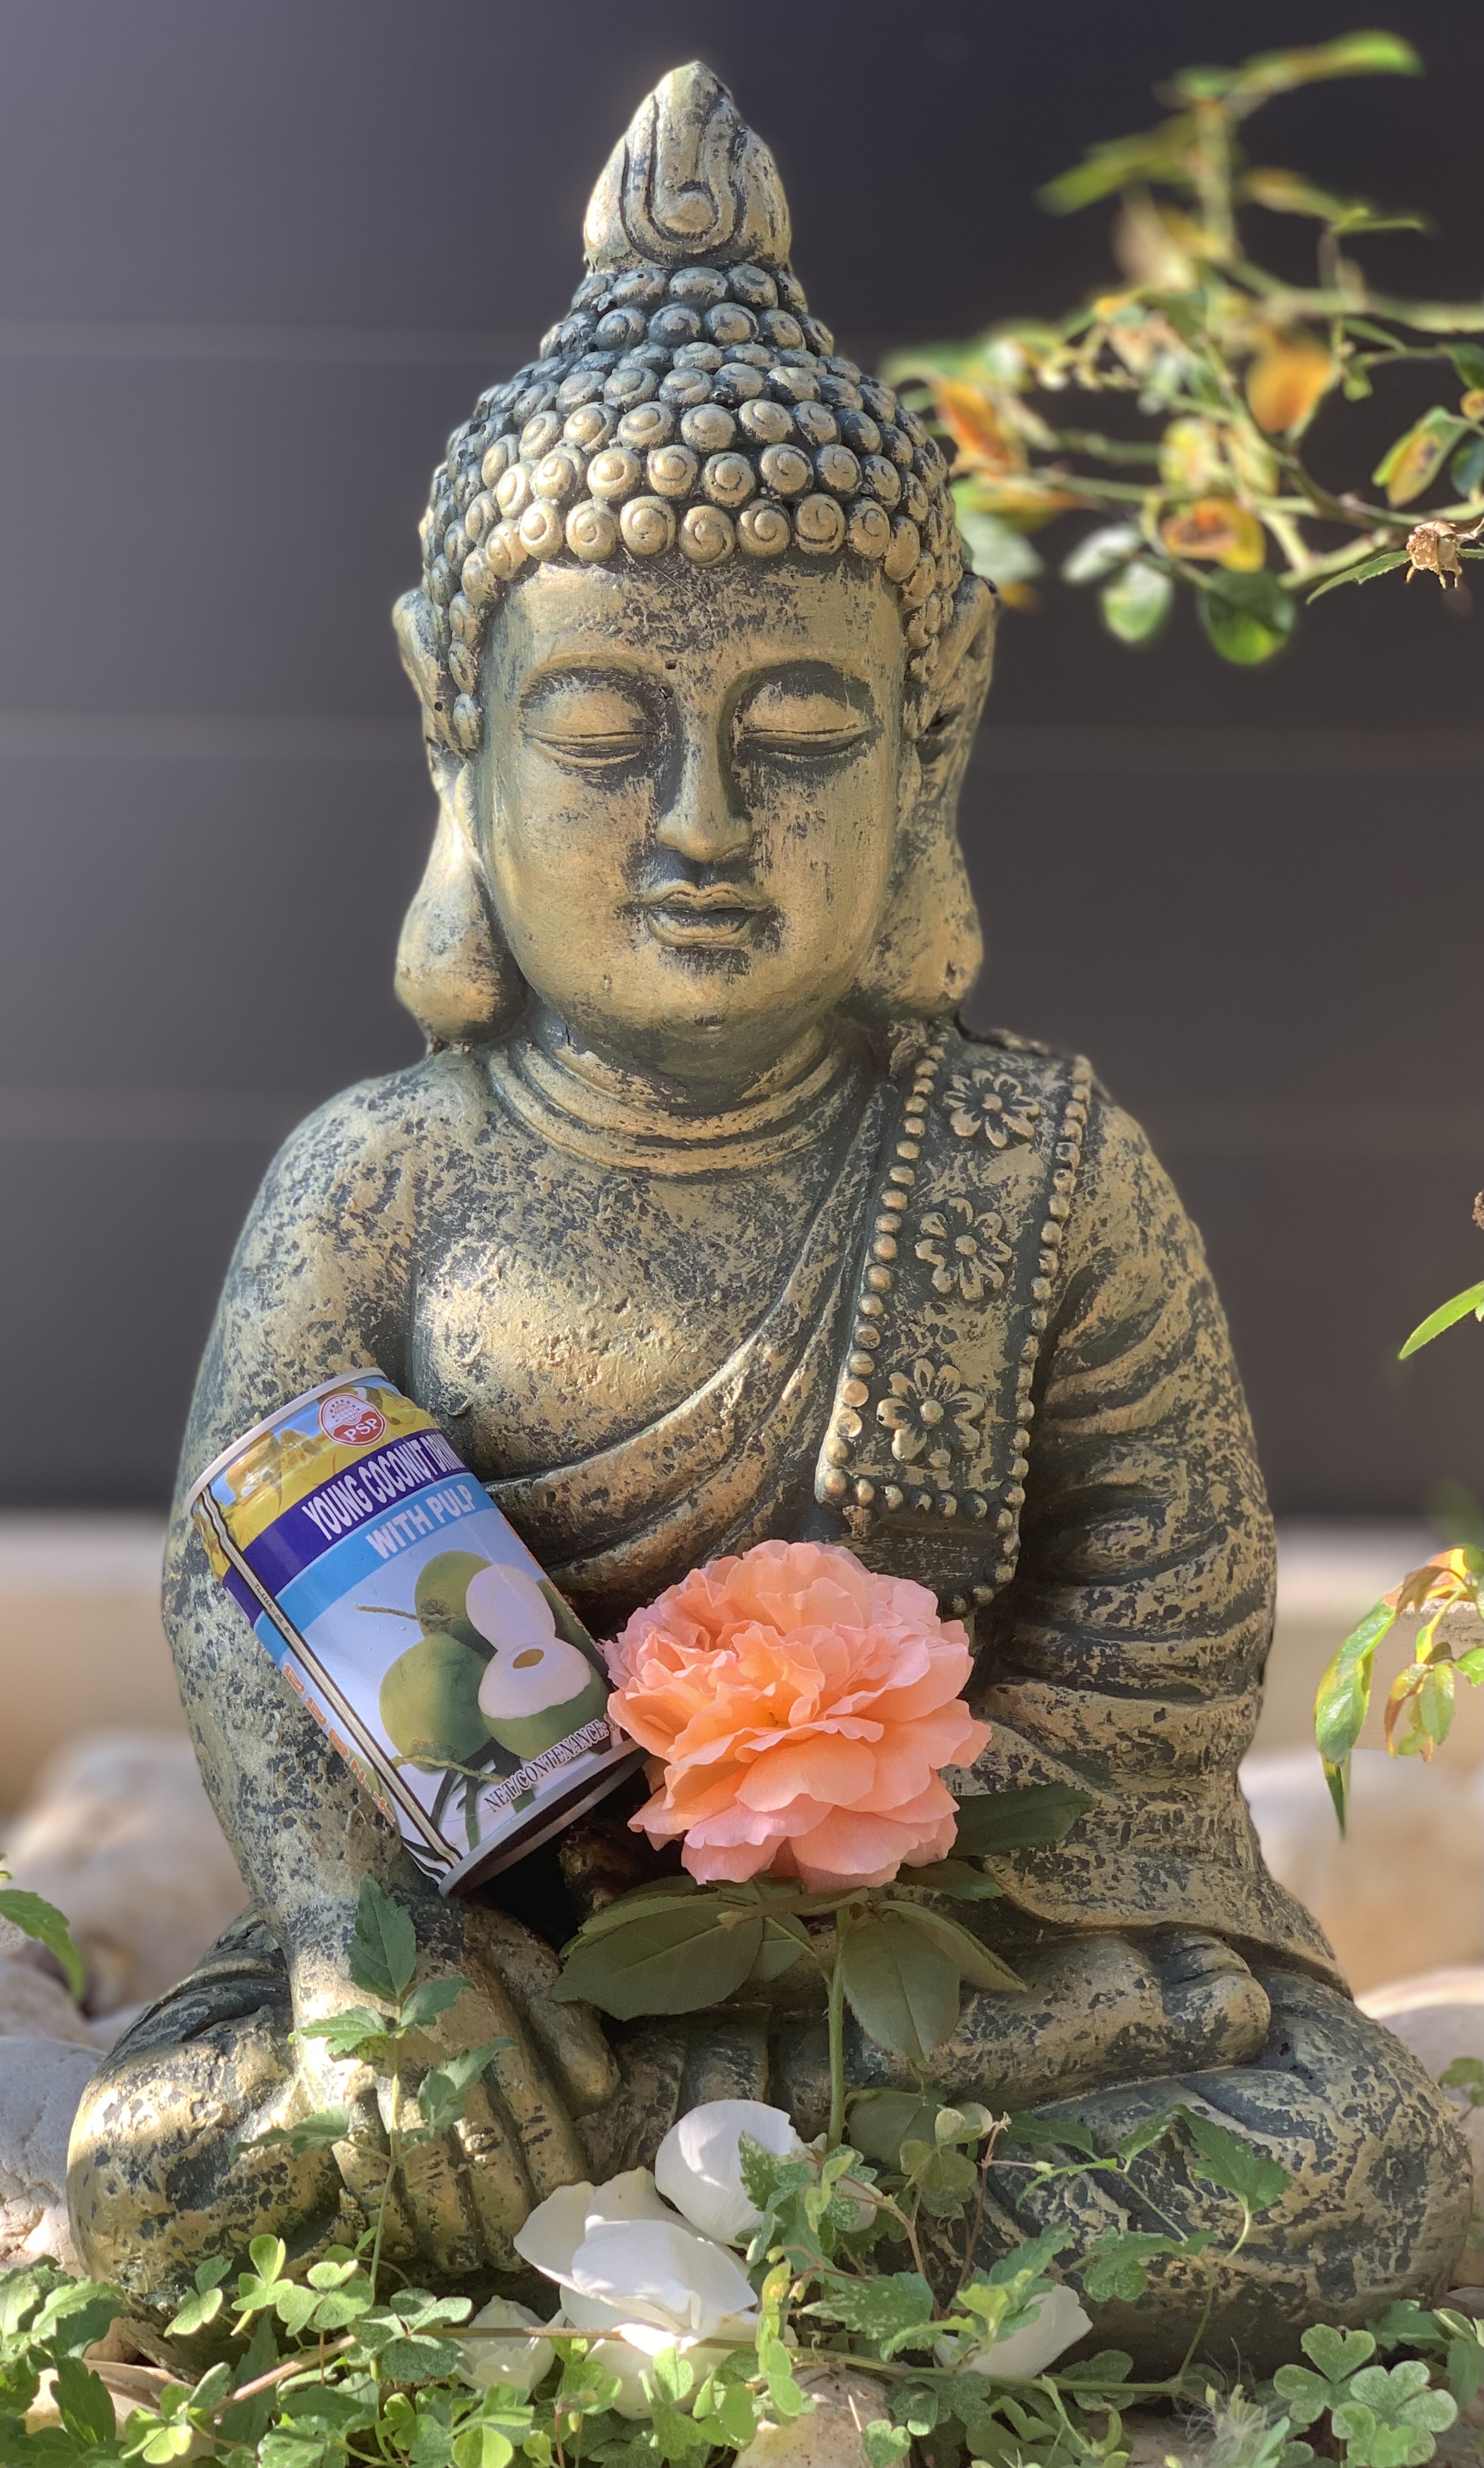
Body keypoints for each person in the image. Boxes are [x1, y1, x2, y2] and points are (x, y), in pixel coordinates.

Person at [69, 66, 1469, 2374]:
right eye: (602, 732)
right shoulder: (377, 1175)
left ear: (932, 737)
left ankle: (661, 2197)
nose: (701, 822)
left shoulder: (1034, 1159)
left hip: (946, 1967)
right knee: (159, 2166)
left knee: (1353, 2155)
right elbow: (248, 1603)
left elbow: (1160, 1635)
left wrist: (860, 1863)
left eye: (801, 735)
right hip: (501, 1964)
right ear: (452, 728)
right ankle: (797, 2218)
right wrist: (363, 1941)